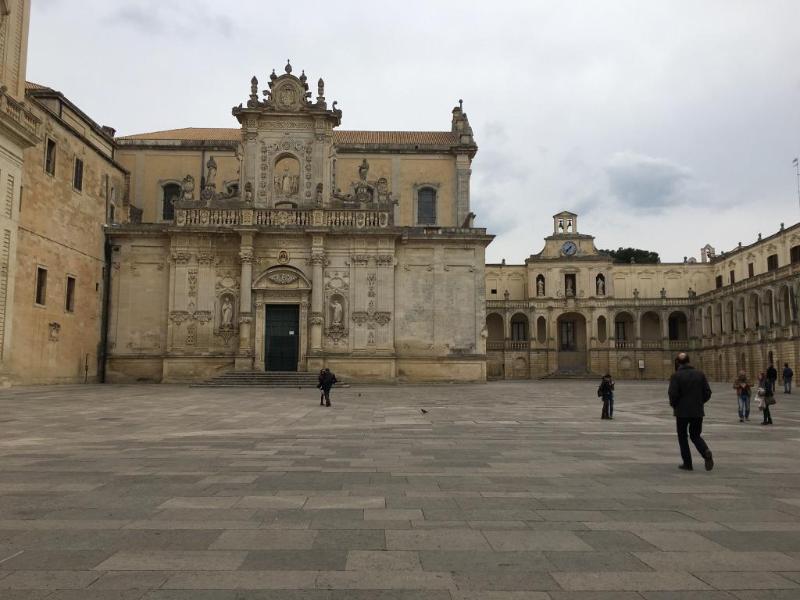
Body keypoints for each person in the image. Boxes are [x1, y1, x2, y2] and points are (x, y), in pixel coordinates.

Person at [668, 352, 714, 471]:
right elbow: (708, 392)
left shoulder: (676, 376)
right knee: (695, 435)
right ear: (689, 361)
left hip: (682, 412)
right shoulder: (700, 374)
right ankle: (705, 451)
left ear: (678, 362)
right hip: (697, 411)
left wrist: (675, 405)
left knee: (682, 437)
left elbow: (673, 394)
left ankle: (687, 463)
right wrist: (699, 402)